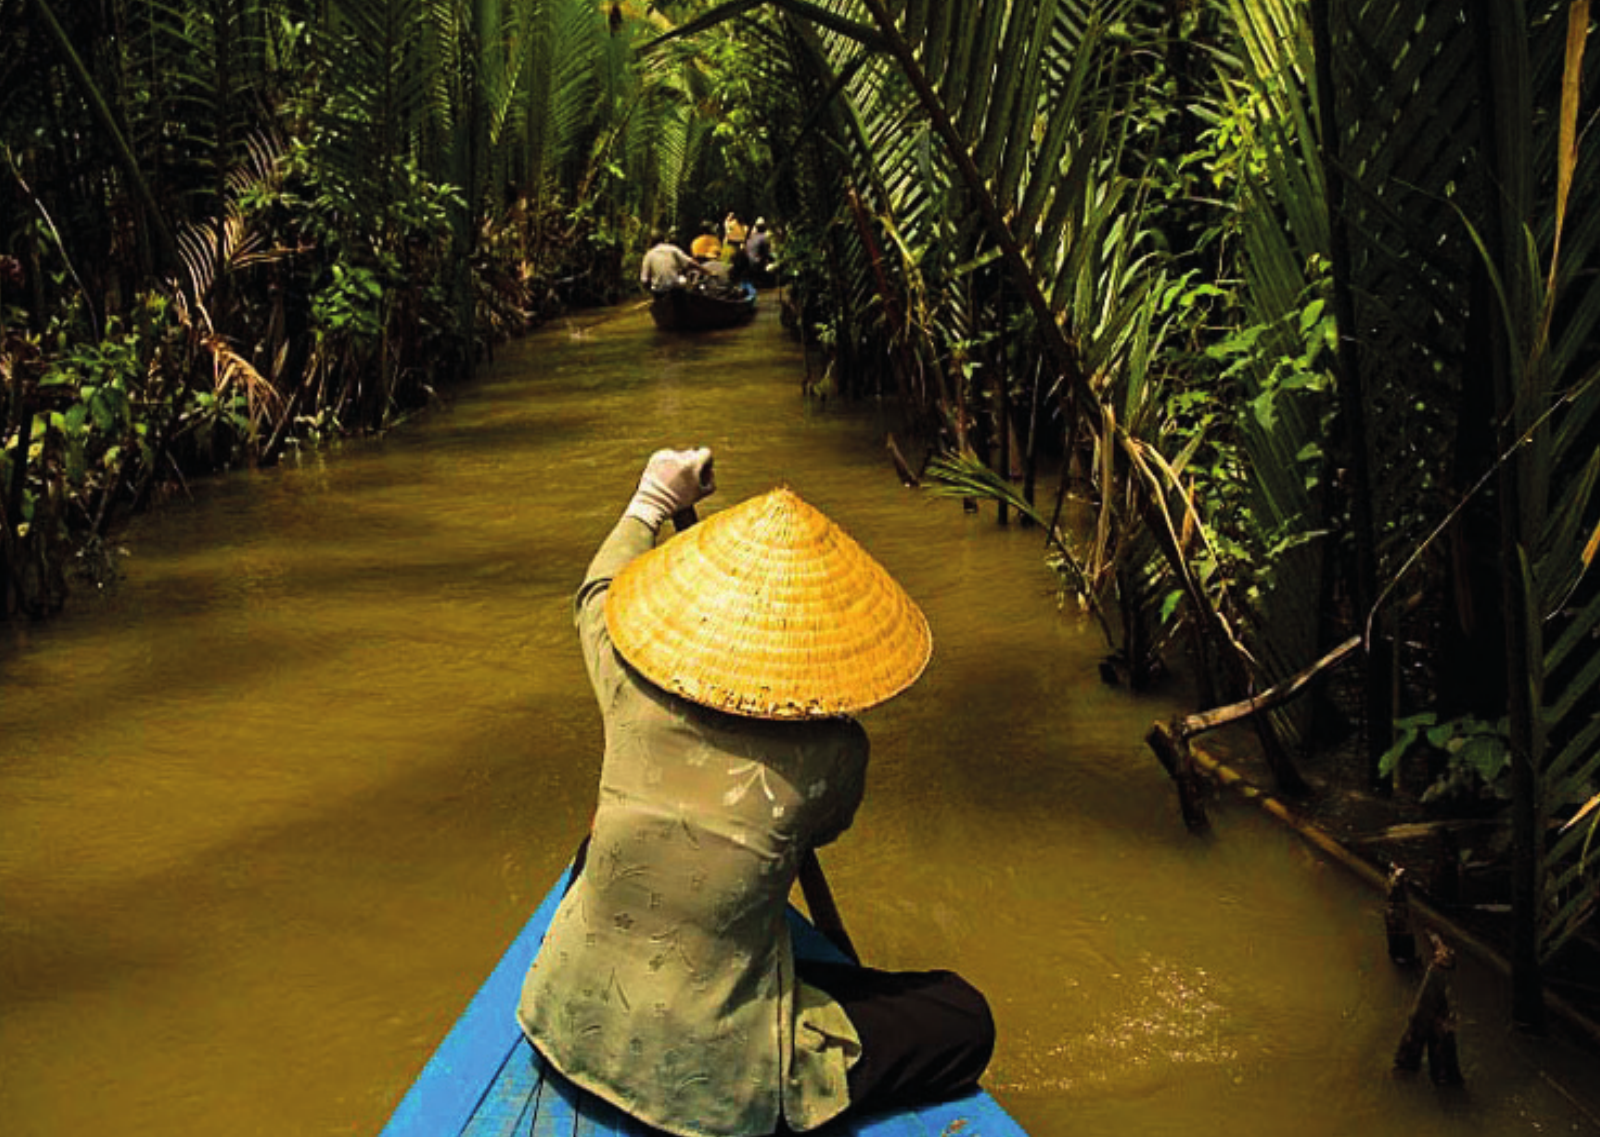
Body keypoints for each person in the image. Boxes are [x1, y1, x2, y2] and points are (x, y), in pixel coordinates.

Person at [519, 449, 994, 1137]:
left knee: (599, 842)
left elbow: (597, 592)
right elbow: (825, 827)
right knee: (962, 1014)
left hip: (559, 1015)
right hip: (705, 1087)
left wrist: (654, 497)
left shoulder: (628, 681)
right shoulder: (833, 753)